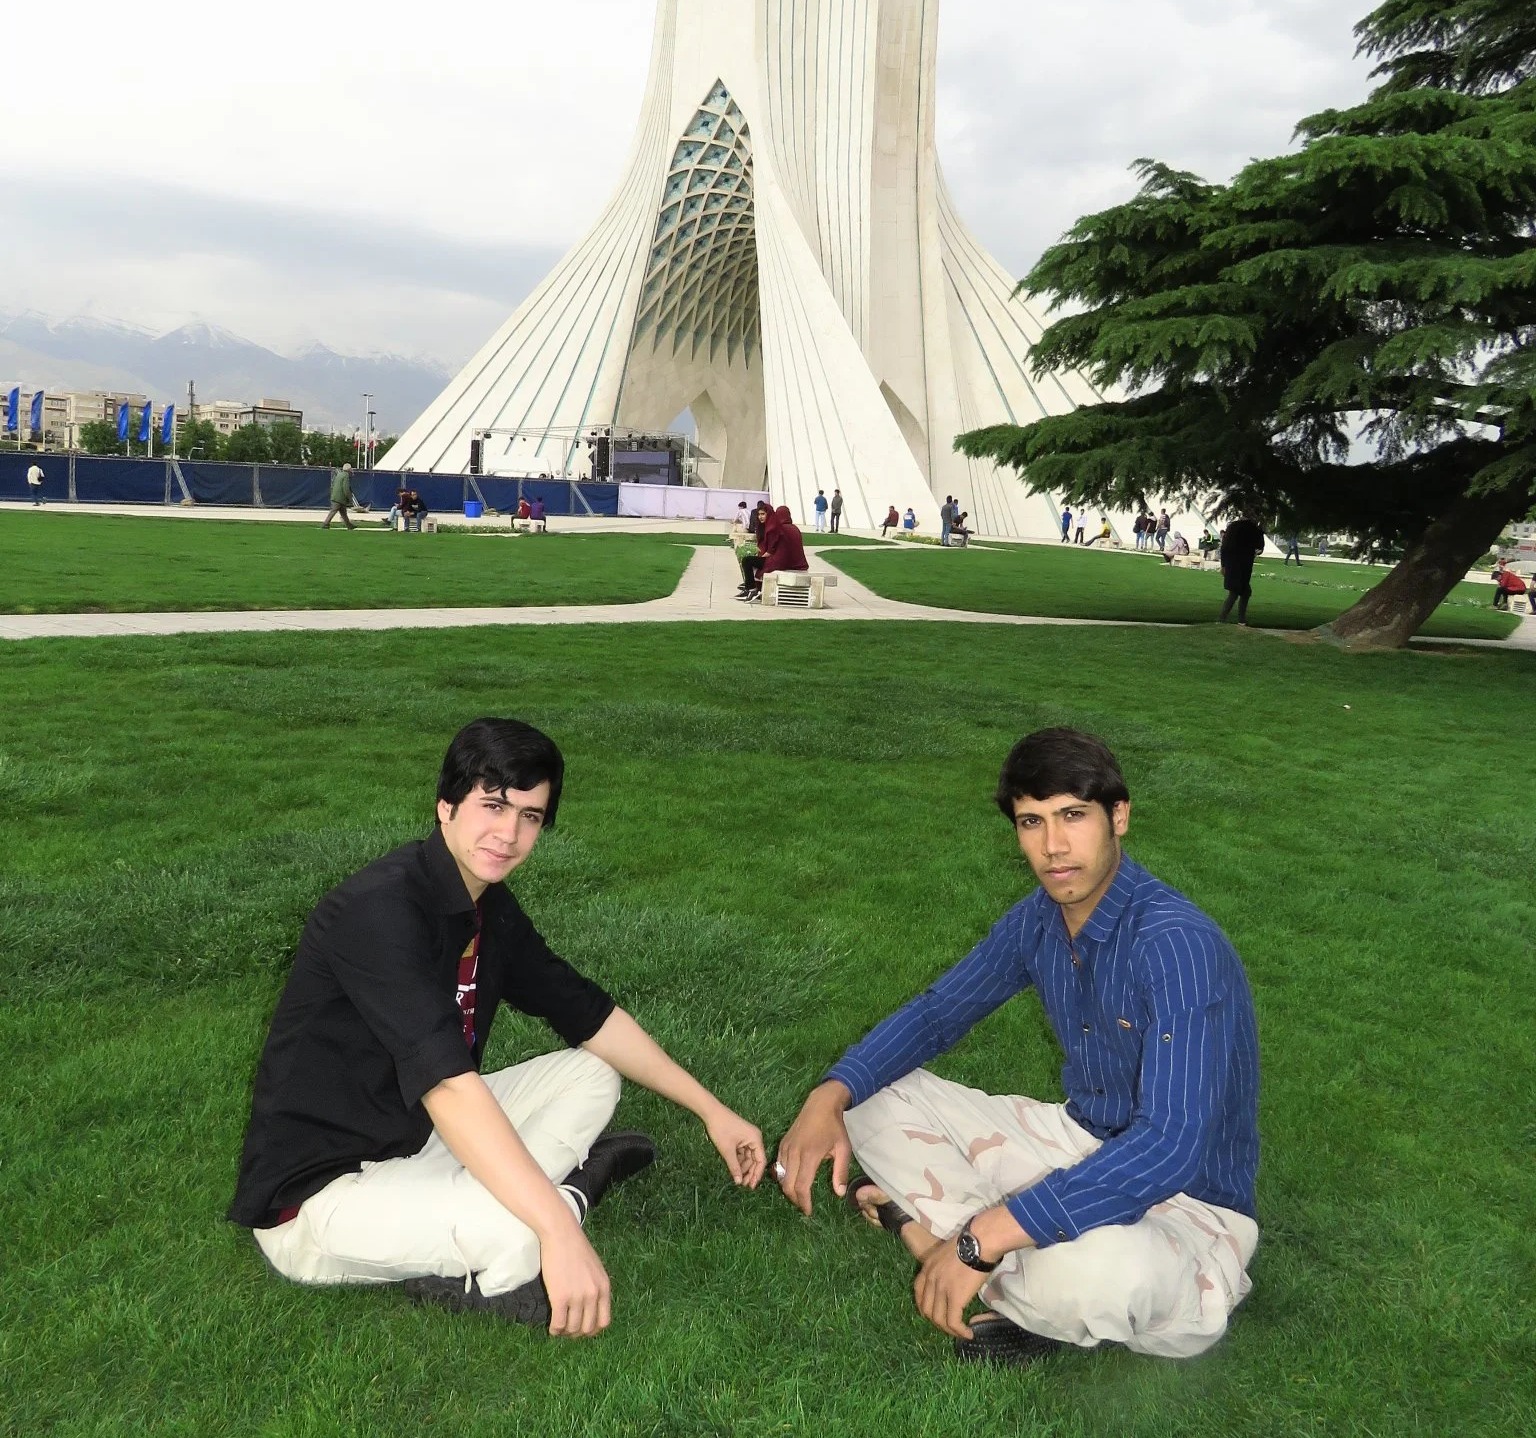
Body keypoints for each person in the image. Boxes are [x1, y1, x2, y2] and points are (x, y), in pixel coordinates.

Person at [230, 718, 767, 1336]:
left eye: (531, 816)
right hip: (322, 1199)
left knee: (592, 1074)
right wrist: (558, 1229)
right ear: (445, 806)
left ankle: (518, 1207)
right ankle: (570, 1196)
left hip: (418, 1137)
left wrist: (712, 1110)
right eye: (493, 805)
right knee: (518, 1228)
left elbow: (584, 1012)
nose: (509, 834)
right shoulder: (376, 912)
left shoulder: (484, 902)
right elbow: (450, 1086)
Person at [774, 727, 1259, 1366]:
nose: (1053, 847)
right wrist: (827, 1096)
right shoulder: (1039, 919)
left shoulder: (1176, 945)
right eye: (1032, 822)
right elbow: (936, 1015)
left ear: (1119, 817)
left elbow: (1168, 1147)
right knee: (870, 1100)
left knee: (1098, 1279)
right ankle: (996, 1258)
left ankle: (934, 1241)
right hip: (1075, 1139)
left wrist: (979, 1239)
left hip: (1189, 1204)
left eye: (1073, 816)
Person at [1219, 515, 1266, 626]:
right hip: (1244, 563)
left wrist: (1223, 565)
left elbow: (1224, 547)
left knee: (1238, 591)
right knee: (1239, 591)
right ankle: (1229, 619)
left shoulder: (1232, 527)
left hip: (1232, 563)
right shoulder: (1254, 529)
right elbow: (1260, 546)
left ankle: (1235, 619)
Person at [323, 463, 355, 530]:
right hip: (340, 498)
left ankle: (349, 525)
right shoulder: (346, 476)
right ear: (349, 469)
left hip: (335, 496)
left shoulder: (339, 474)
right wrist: (349, 498)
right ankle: (326, 524)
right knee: (333, 511)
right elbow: (346, 488)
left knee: (343, 513)